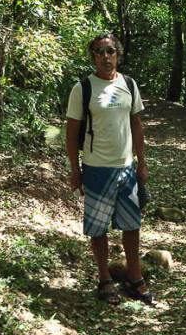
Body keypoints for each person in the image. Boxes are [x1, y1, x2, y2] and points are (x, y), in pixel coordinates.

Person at [65, 33, 152, 305]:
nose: (106, 56)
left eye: (110, 51)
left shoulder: (129, 84)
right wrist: (75, 169)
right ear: (93, 56)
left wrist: (142, 161)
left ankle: (134, 277)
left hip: (126, 167)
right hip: (96, 168)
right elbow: (71, 133)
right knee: (98, 228)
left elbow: (136, 125)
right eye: (100, 52)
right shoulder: (83, 88)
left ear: (118, 54)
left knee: (132, 224)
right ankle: (104, 279)